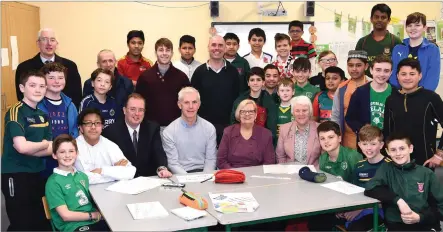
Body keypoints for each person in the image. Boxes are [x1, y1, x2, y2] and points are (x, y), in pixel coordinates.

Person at [1, 71, 53, 231]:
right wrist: (42, 144)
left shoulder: (43, 116)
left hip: (37, 173)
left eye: (42, 86)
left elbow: (51, 147)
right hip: (16, 175)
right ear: (22, 88)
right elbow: (21, 147)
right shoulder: (15, 111)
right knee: (21, 223)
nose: (38, 90)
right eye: (32, 85)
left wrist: (38, 147)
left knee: (40, 220)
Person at [364, 133, 443, 231]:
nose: (398, 153)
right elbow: (370, 188)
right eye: (393, 150)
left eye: (402, 148)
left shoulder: (426, 173)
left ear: (410, 148)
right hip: (396, 226)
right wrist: (398, 201)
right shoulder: (386, 169)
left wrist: (420, 217)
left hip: (424, 225)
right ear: (387, 152)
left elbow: (441, 207)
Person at [384, 58, 443, 167]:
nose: (407, 78)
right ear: (397, 76)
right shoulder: (391, 100)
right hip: (398, 161)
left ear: (419, 76)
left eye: (412, 74)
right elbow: (388, 132)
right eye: (403, 74)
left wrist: (439, 154)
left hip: (425, 162)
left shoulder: (431, 98)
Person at [45, 134, 110, 232]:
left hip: (92, 221)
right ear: (54, 155)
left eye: (71, 151)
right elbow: (66, 216)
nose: (67, 155)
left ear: (77, 153)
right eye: (62, 152)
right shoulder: (53, 182)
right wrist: (92, 215)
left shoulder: (82, 176)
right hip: (72, 226)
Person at [308, 121, 363, 231]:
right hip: (335, 205)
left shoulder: (353, 156)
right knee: (313, 218)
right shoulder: (323, 158)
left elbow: (363, 187)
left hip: (355, 206)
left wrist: (358, 209)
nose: (326, 141)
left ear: (339, 138)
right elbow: (326, 188)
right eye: (322, 138)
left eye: (331, 137)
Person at [103, 93, 172, 178]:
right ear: (124, 110)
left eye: (141, 110)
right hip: (123, 181)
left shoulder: (152, 128)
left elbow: (158, 153)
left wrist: (162, 168)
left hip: (148, 180)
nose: (137, 113)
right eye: (132, 109)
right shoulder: (110, 132)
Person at [191, 35, 240, 145]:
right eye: (213, 45)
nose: (216, 48)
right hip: (203, 128)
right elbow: (193, 101)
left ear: (224, 48)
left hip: (228, 128)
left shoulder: (233, 72)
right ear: (208, 47)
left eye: (220, 45)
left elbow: (237, 98)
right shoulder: (199, 72)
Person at [15, 28, 82, 107]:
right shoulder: (24, 67)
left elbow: (76, 95)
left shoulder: (70, 66)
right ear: (38, 43)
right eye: (44, 39)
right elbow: (21, 96)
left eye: (52, 40)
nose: (49, 43)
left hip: (64, 113)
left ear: (56, 44)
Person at [339, 125, 389, 231]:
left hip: (380, 211)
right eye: (365, 144)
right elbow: (355, 193)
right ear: (359, 145)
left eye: (373, 144)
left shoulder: (390, 166)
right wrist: (343, 208)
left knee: (356, 228)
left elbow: (390, 200)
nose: (368, 148)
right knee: (322, 219)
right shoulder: (359, 166)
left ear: (381, 145)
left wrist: (360, 209)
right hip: (358, 207)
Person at [135, 38, 190, 130]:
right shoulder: (145, 77)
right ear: (155, 53)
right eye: (161, 50)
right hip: (150, 129)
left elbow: (187, 102)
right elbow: (139, 103)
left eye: (168, 50)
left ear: (172, 53)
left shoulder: (182, 77)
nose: (164, 53)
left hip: (176, 128)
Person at [162, 87, 217, 174]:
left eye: (194, 102)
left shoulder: (209, 128)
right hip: (181, 175)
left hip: (205, 174)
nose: (191, 106)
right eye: (186, 102)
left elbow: (210, 159)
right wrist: (190, 180)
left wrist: (204, 178)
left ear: (199, 105)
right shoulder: (169, 132)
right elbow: (173, 164)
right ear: (179, 105)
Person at [38, 62, 79, 178]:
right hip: (44, 162)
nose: (57, 81)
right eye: (51, 78)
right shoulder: (37, 105)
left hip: (67, 161)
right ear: (44, 81)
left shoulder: (70, 105)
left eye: (60, 78)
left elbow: (75, 131)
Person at [75, 108, 136, 184]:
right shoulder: (73, 146)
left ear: (102, 127)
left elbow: (131, 172)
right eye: (88, 123)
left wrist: (102, 170)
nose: (93, 127)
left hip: (109, 193)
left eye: (97, 123)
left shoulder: (110, 145)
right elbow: (84, 178)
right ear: (81, 128)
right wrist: (114, 171)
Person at [346, 55, 393, 143]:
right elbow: (350, 118)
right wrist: (362, 130)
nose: (382, 74)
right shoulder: (360, 92)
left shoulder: (396, 93)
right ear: (371, 70)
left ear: (391, 72)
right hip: (366, 142)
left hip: (389, 142)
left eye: (386, 71)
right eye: (378, 70)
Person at [217, 99, 275, 169]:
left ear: (256, 114)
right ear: (239, 114)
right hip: (232, 175)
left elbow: (269, 162)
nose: (247, 114)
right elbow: (221, 161)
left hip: (257, 175)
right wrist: (234, 173)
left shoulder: (266, 134)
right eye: (243, 111)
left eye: (251, 111)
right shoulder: (228, 132)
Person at [332, 50, 372, 149]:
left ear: (366, 66)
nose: (354, 69)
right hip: (347, 140)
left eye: (358, 65)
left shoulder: (373, 85)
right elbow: (336, 116)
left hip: (370, 140)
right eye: (350, 65)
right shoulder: (342, 88)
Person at [390, 12, 441, 91]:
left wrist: (421, 95)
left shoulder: (432, 49)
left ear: (424, 27)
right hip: (400, 95)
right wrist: (400, 92)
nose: (413, 28)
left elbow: (433, 77)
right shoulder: (398, 49)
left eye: (417, 25)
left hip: (423, 96)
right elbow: (394, 74)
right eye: (409, 25)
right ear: (406, 28)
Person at [230, 67, 277, 143]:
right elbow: (233, 124)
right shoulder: (239, 101)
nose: (255, 83)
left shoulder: (270, 102)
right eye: (252, 80)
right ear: (248, 83)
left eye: (258, 80)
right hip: (241, 141)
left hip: (262, 142)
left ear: (263, 82)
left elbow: (271, 130)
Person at [355, 4, 402, 77]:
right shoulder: (362, 42)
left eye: (383, 17)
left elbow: (401, 67)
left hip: (390, 85)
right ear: (371, 19)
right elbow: (357, 66)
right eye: (376, 17)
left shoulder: (396, 41)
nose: (379, 20)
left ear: (389, 20)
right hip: (366, 85)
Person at [276, 96, 321, 166]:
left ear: (310, 112)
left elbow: (324, 157)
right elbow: (280, 156)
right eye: (297, 111)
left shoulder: (320, 129)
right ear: (292, 112)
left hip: (314, 172)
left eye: (304, 110)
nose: (301, 114)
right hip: (290, 173)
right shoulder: (284, 129)